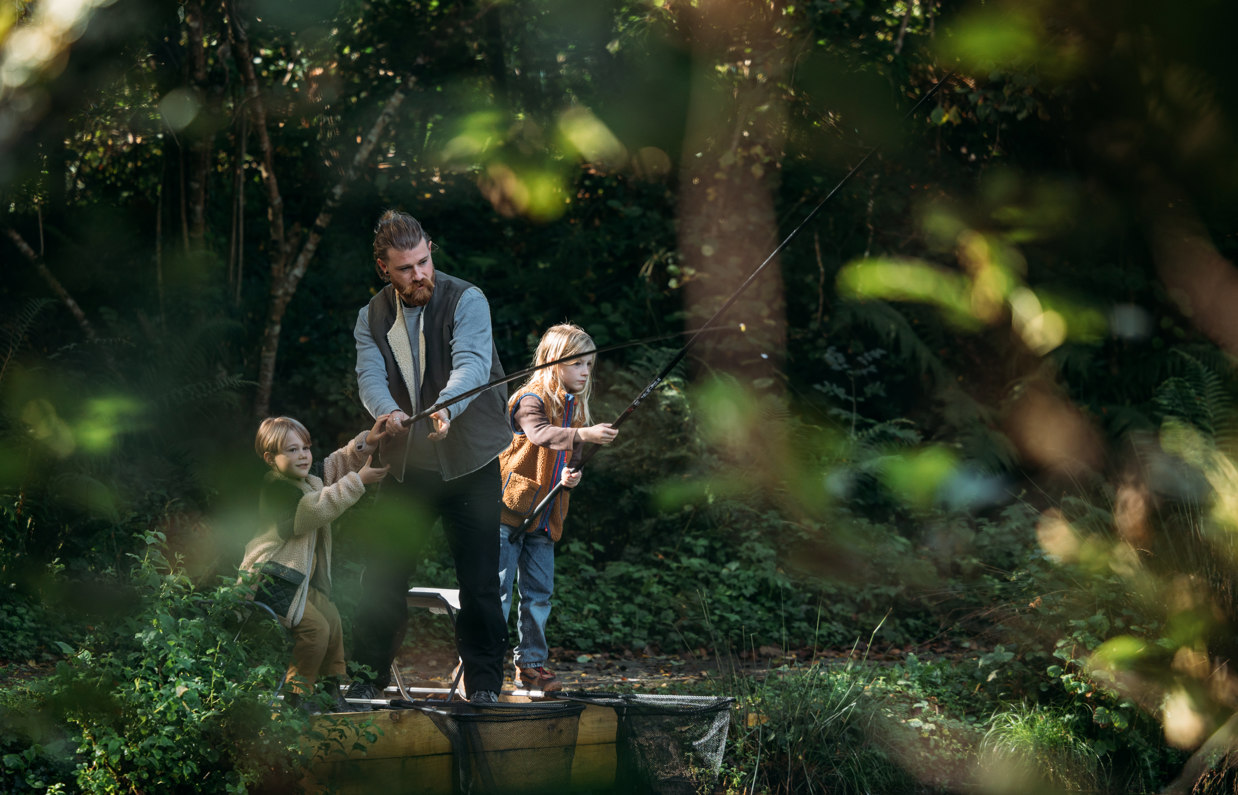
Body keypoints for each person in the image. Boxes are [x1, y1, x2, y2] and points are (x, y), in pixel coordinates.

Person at [350, 209, 512, 704]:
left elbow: (471, 364)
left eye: (423, 262)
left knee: (481, 584)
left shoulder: (468, 299)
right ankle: (364, 679)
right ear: (384, 268)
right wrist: (389, 412)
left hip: (470, 465)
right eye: (405, 268)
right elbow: (370, 378)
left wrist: (445, 409)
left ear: (430, 251)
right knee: (380, 577)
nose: (419, 274)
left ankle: (484, 686)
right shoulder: (369, 317)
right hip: (406, 471)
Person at [241, 414, 393, 713]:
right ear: (271, 459)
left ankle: (329, 691)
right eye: (292, 450)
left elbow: (335, 465)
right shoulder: (278, 490)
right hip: (270, 581)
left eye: (306, 448)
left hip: (296, 583)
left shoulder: (306, 480)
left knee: (332, 620)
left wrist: (366, 443)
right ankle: (298, 698)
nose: (303, 456)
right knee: (315, 631)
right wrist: (358, 482)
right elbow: (313, 511)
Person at [498, 323, 618, 693]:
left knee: (539, 595)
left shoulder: (576, 409)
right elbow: (539, 434)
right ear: (554, 362)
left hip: (547, 516)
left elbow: (572, 457)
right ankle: (479, 660)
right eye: (578, 363)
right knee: (497, 592)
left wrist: (573, 474)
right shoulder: (529, 399)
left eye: (589, 365)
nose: (585, 372)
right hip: (508, 511)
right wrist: (583, 434)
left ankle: (531, 665)